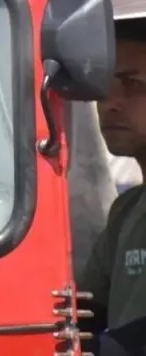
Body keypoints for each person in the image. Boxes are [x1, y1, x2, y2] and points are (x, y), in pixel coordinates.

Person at [79, 18, 146, 348]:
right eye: (103, 86)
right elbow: (85, 311)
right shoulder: (126, 210)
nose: (110, 103)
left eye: (132, 84)